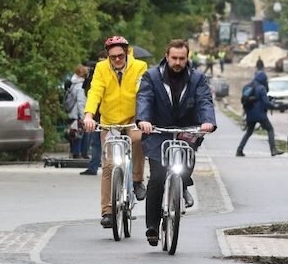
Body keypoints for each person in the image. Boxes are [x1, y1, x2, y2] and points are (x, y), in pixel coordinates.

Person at [136, 39, 216, 246]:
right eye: (174, 58)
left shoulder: (197, 78)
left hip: (185, 131)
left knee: (185, 165)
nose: (178, 62)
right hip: (157, 131)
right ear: (167, 56)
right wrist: (144, 120)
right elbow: (144, 98)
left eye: (182, 58)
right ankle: (152, 226)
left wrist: (207, 122)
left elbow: (204, 100)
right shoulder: (152, 76)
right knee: (157, 178)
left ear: (187, 57)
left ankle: (183, 184)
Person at [83, 36, 148, 228]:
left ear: (127, 53)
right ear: (107, 56)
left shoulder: (140, 67)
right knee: (109, 165)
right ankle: (107, 211)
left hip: (131, 118)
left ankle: (137, 180)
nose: (117, 60)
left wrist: (144, 119)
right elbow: (95, 92)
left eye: (121, 56)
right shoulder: (101, 68)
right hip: (109, 121)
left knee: (137, 139)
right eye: (113, 57)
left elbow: (143, 93)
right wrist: (88, 116)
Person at [236, 70, 283, 157]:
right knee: (270, 129)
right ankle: (273, 149)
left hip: (250, 114)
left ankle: (239, 150)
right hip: (260, 114)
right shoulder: (261, 88)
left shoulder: (247, 86)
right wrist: (275, 106)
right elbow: (266, 103)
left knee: (249, 132)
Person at [66, 65, 89, 158]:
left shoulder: (73, 84)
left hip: (72, 113)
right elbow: (81, 102)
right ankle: (79, 153)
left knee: (74, 134)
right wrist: (83, 116)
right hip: (78, 114)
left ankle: (75, 152)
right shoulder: (81, 86)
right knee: (79, 134)